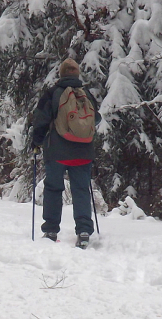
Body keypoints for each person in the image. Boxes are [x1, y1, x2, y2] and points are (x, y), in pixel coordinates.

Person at [32, 58, 101, 248]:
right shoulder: (86, 94)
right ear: (77, 75)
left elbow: (41, 121)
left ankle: (51, 230)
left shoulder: (53, 93)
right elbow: (97, 118)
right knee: (81, 190)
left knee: (54, 189)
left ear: (61, 75)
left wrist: (36, 143)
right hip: (83, 152)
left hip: (57, 152)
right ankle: (84, 230)